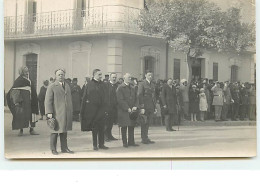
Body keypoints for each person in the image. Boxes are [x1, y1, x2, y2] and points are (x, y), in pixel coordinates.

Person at [45, 68, 74, 155]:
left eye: (62, 74)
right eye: (59, 74)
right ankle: (53, 149)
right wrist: (49, 113)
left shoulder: (67, 86)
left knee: (64, 131)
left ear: (64, 75)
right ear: (55, 76)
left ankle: (64, 148)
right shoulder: (52, 86)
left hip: (66, 113)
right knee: (55, 131)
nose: (61, 76)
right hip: (57, 113)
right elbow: (48, 101)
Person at [80, 69, 109, 151]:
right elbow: (85, 97)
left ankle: (102, 144)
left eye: (101, 74)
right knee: (95, 128)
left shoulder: (103, 84)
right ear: (94, 75)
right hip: (93, 111)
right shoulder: (89, 84)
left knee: (102, 128)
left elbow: (107, 97)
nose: (101, 76)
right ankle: (95, 145)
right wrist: (83, 110)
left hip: (102, 110)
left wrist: (106, 108)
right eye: (99, 74)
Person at [6, 66, 39, 136]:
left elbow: (32, 90)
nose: (27, 73)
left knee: (32, 114)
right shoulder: (18, 80)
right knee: (21, 115)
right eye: (25, 71)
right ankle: (21, 130)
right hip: (23, 102)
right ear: (21, 72)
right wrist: (17, 100)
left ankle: (32, 129)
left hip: (31, 101)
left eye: (27, 71)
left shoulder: (29, 80)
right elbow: (14, 91)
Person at [116, 73, 139, 147]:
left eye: (130, 77)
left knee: (131, 126)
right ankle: (124, 142)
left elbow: (136, 98)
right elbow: (120, 100)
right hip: (124, 111)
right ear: (124, 78)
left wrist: (135, 106)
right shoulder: (120, 88)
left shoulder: (132, 88)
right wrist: (127, 108)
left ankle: (131, 142)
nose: (130, 79)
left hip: (132, 110)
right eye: (128, 77)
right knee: (124, 126)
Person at [137, 70, 156, 144]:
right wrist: (142, 106)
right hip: (144, 106)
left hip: (151, 106)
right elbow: (139, 95)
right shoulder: (142, 83)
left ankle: (146, 137)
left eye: (151, 75)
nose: (150, 77)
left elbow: (154, 96)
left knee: (148, 122)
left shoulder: (153, 84)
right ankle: (143, 138)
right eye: (149, 75)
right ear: (145, 75)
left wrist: (154, 107)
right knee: (143, 122)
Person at [104, 73, 118, 141]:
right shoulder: (106, 85)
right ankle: (105, 136)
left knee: (111, 122)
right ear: (110, 77)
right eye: (113, 77)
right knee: (106, 122)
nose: (114, 78)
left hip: (114, 107)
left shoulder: (117, 85)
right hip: (107, 107)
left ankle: (110, 135)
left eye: (115, 77)